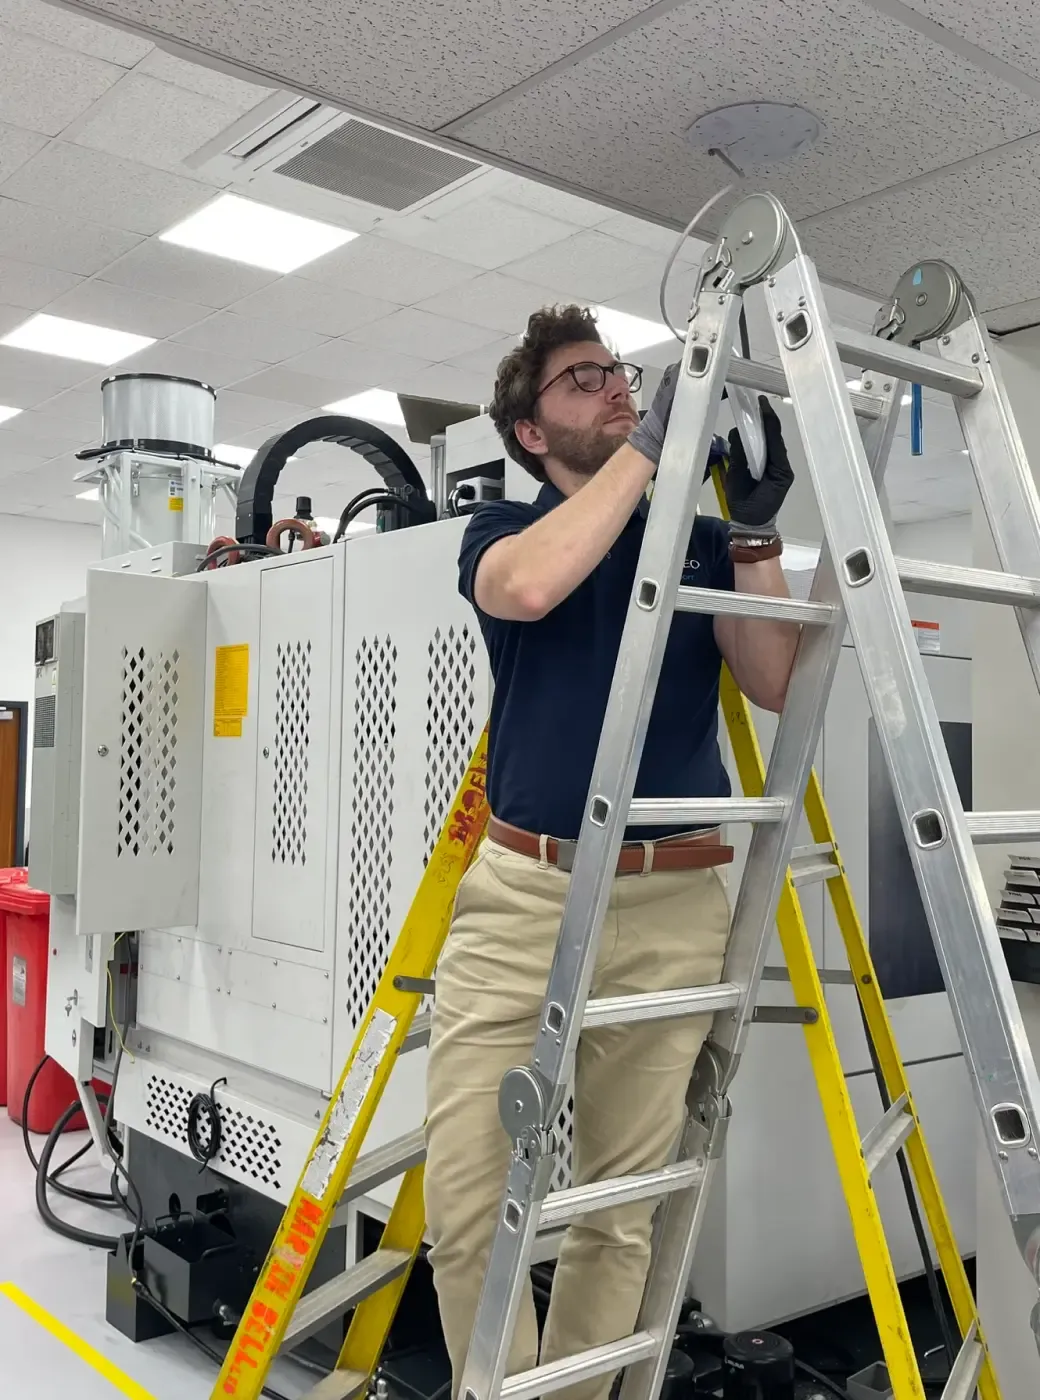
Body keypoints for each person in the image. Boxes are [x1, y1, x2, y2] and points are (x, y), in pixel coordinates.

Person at [423, 304, 800, 1400]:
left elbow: (773, 678)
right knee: (466, 1214)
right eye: (583, 379)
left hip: (673, 896)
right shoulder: (498, 528)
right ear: (529, 430)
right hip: (517, 894)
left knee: (616, 1214)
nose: (617, 387)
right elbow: (532, 588)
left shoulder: (691, 535)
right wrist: (649, 450)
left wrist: (755, 530)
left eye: (619, 372)